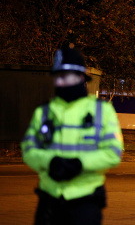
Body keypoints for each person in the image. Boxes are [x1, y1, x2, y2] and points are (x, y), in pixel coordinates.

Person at [21, 45, 124, 225]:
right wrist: (49, 162)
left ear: (80, 77)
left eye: (66, 76)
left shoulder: (102, 111)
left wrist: (80, 164)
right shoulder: (44, 112)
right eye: (58, 77)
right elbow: (28, 149)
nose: (61, 83)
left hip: (85, 202)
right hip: (49, 202)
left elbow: (113, 152)